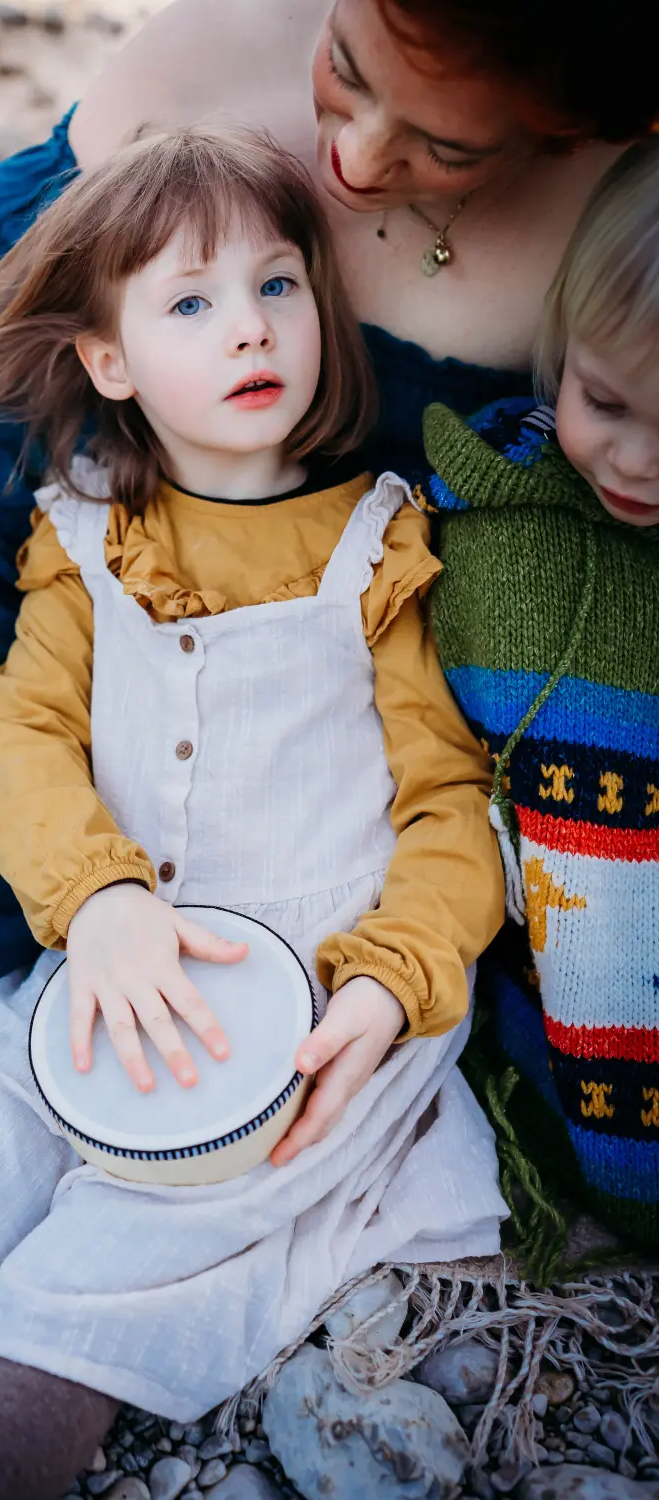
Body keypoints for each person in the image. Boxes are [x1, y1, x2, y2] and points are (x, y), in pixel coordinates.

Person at [0, 126, 508, 1500]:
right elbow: (28, 734)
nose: (250, 330)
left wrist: (394, 984)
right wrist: (100, 903)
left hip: (303, 1014)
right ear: (109, 363)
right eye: (191, 302)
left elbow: (448, 803)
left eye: (278, 285)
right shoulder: (85, 530)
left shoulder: (381, 543)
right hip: (104, 964)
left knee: (113, 1279)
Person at [0, 0, 652, 1048]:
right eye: (345, 70)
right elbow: (18, 251)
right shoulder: (230, 37)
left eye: (447, 145)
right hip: (13, 467)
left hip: (281, 621)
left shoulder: (625, 214)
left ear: (564, 126)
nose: (356, 159)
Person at [418, 138, 659, 1270]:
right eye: (604, 400)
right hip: (541, 987)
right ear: (559, 352)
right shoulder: (496, 536)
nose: (638, 461)